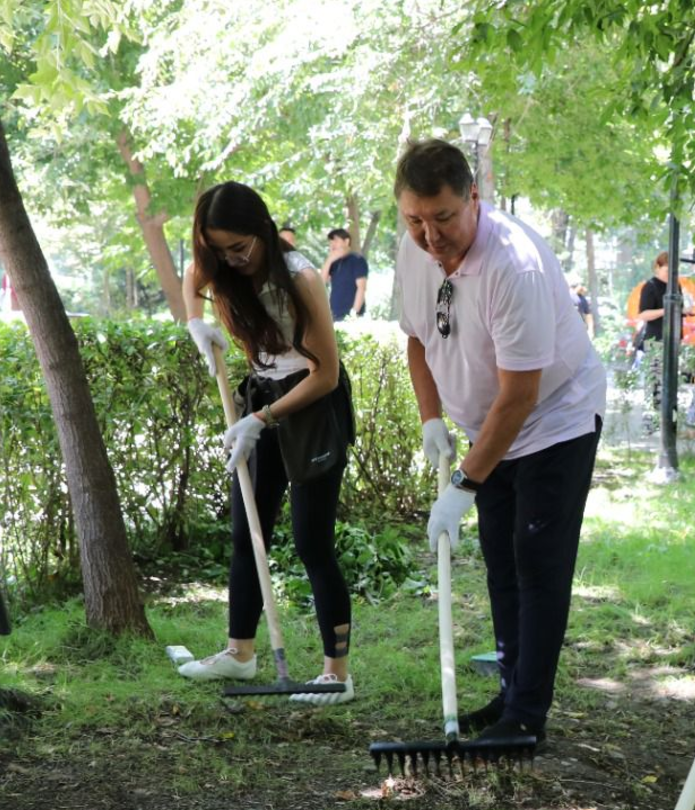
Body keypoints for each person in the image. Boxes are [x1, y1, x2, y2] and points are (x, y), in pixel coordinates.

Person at [393, 138, 606, 745]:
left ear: (474, 200)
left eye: (443, 218)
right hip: (488, 425)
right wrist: (432, 418)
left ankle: (526, 719)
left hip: (554, 419)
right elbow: (417, 338)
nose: (430, 237)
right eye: (414, 220)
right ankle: (512, 692)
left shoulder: (515, 264)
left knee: (537, 559)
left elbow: (521, 395)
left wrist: (464, 484)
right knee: (501, 559)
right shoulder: (413, 254)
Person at [177, 182, 357, 705]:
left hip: (311, 406)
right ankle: (240, 654)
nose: (231, 260)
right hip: (262, 398)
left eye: (240, 248)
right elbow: (193, 276)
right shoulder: (220, 264)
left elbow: (326, 374)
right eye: (220, 250)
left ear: (262, 230)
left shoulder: (299, 276)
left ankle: (336, 673)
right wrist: (196, 322)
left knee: (311, 542)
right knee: (245, 535)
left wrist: (262, 418)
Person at [324, 227, 369, 321]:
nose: (332, 245)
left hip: (352, 315)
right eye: (331, 242)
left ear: (346, 241)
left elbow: (361, 287)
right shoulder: (333, 262)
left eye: (335, 241)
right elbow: (321, 282)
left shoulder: (357, 260)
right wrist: (329, 260)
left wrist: (354, 314)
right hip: (334, 314)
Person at [630, 251, 669, 357]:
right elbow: (643, 315)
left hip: (673, 340)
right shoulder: (650, 286)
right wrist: (666, 310)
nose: (670, 274)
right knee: (655, 373)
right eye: (667, 270)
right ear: (657, 268)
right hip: (655, 341)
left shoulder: (675, 286)